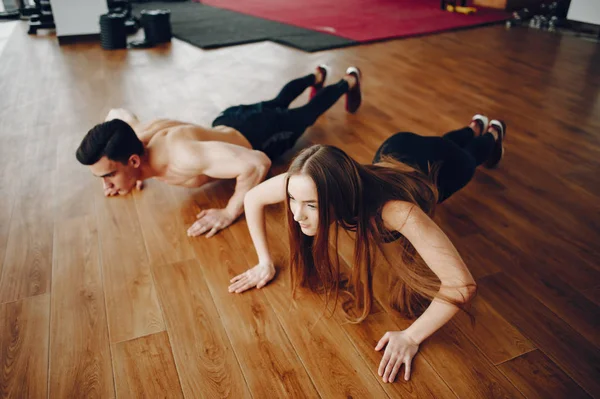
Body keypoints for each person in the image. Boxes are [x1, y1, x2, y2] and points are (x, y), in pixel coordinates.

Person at [228, 116, 507, 382]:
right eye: (292, 199)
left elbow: (461, 284)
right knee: (443, 143)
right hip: (395, 148)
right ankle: (473, 126)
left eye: (311, 205)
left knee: (466, 156)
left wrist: (410, 337)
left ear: (340, 195)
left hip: (441, 170)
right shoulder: (305, 181)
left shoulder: (396, 212)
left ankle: (492, 133)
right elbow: (252, 197)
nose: (297, 214)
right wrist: (264, 261)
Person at [75, 65, 362, 237]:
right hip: (227, 121)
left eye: (108, 175)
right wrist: (125, 175)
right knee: (276, 100)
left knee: (305, 113)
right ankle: (315, 75)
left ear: (134, 159)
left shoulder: (182, 156)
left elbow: (256, 163)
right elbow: (118, 112)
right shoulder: (131, 134)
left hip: (260, 136)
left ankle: (348, 81)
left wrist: (229, 211)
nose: (106, 184)